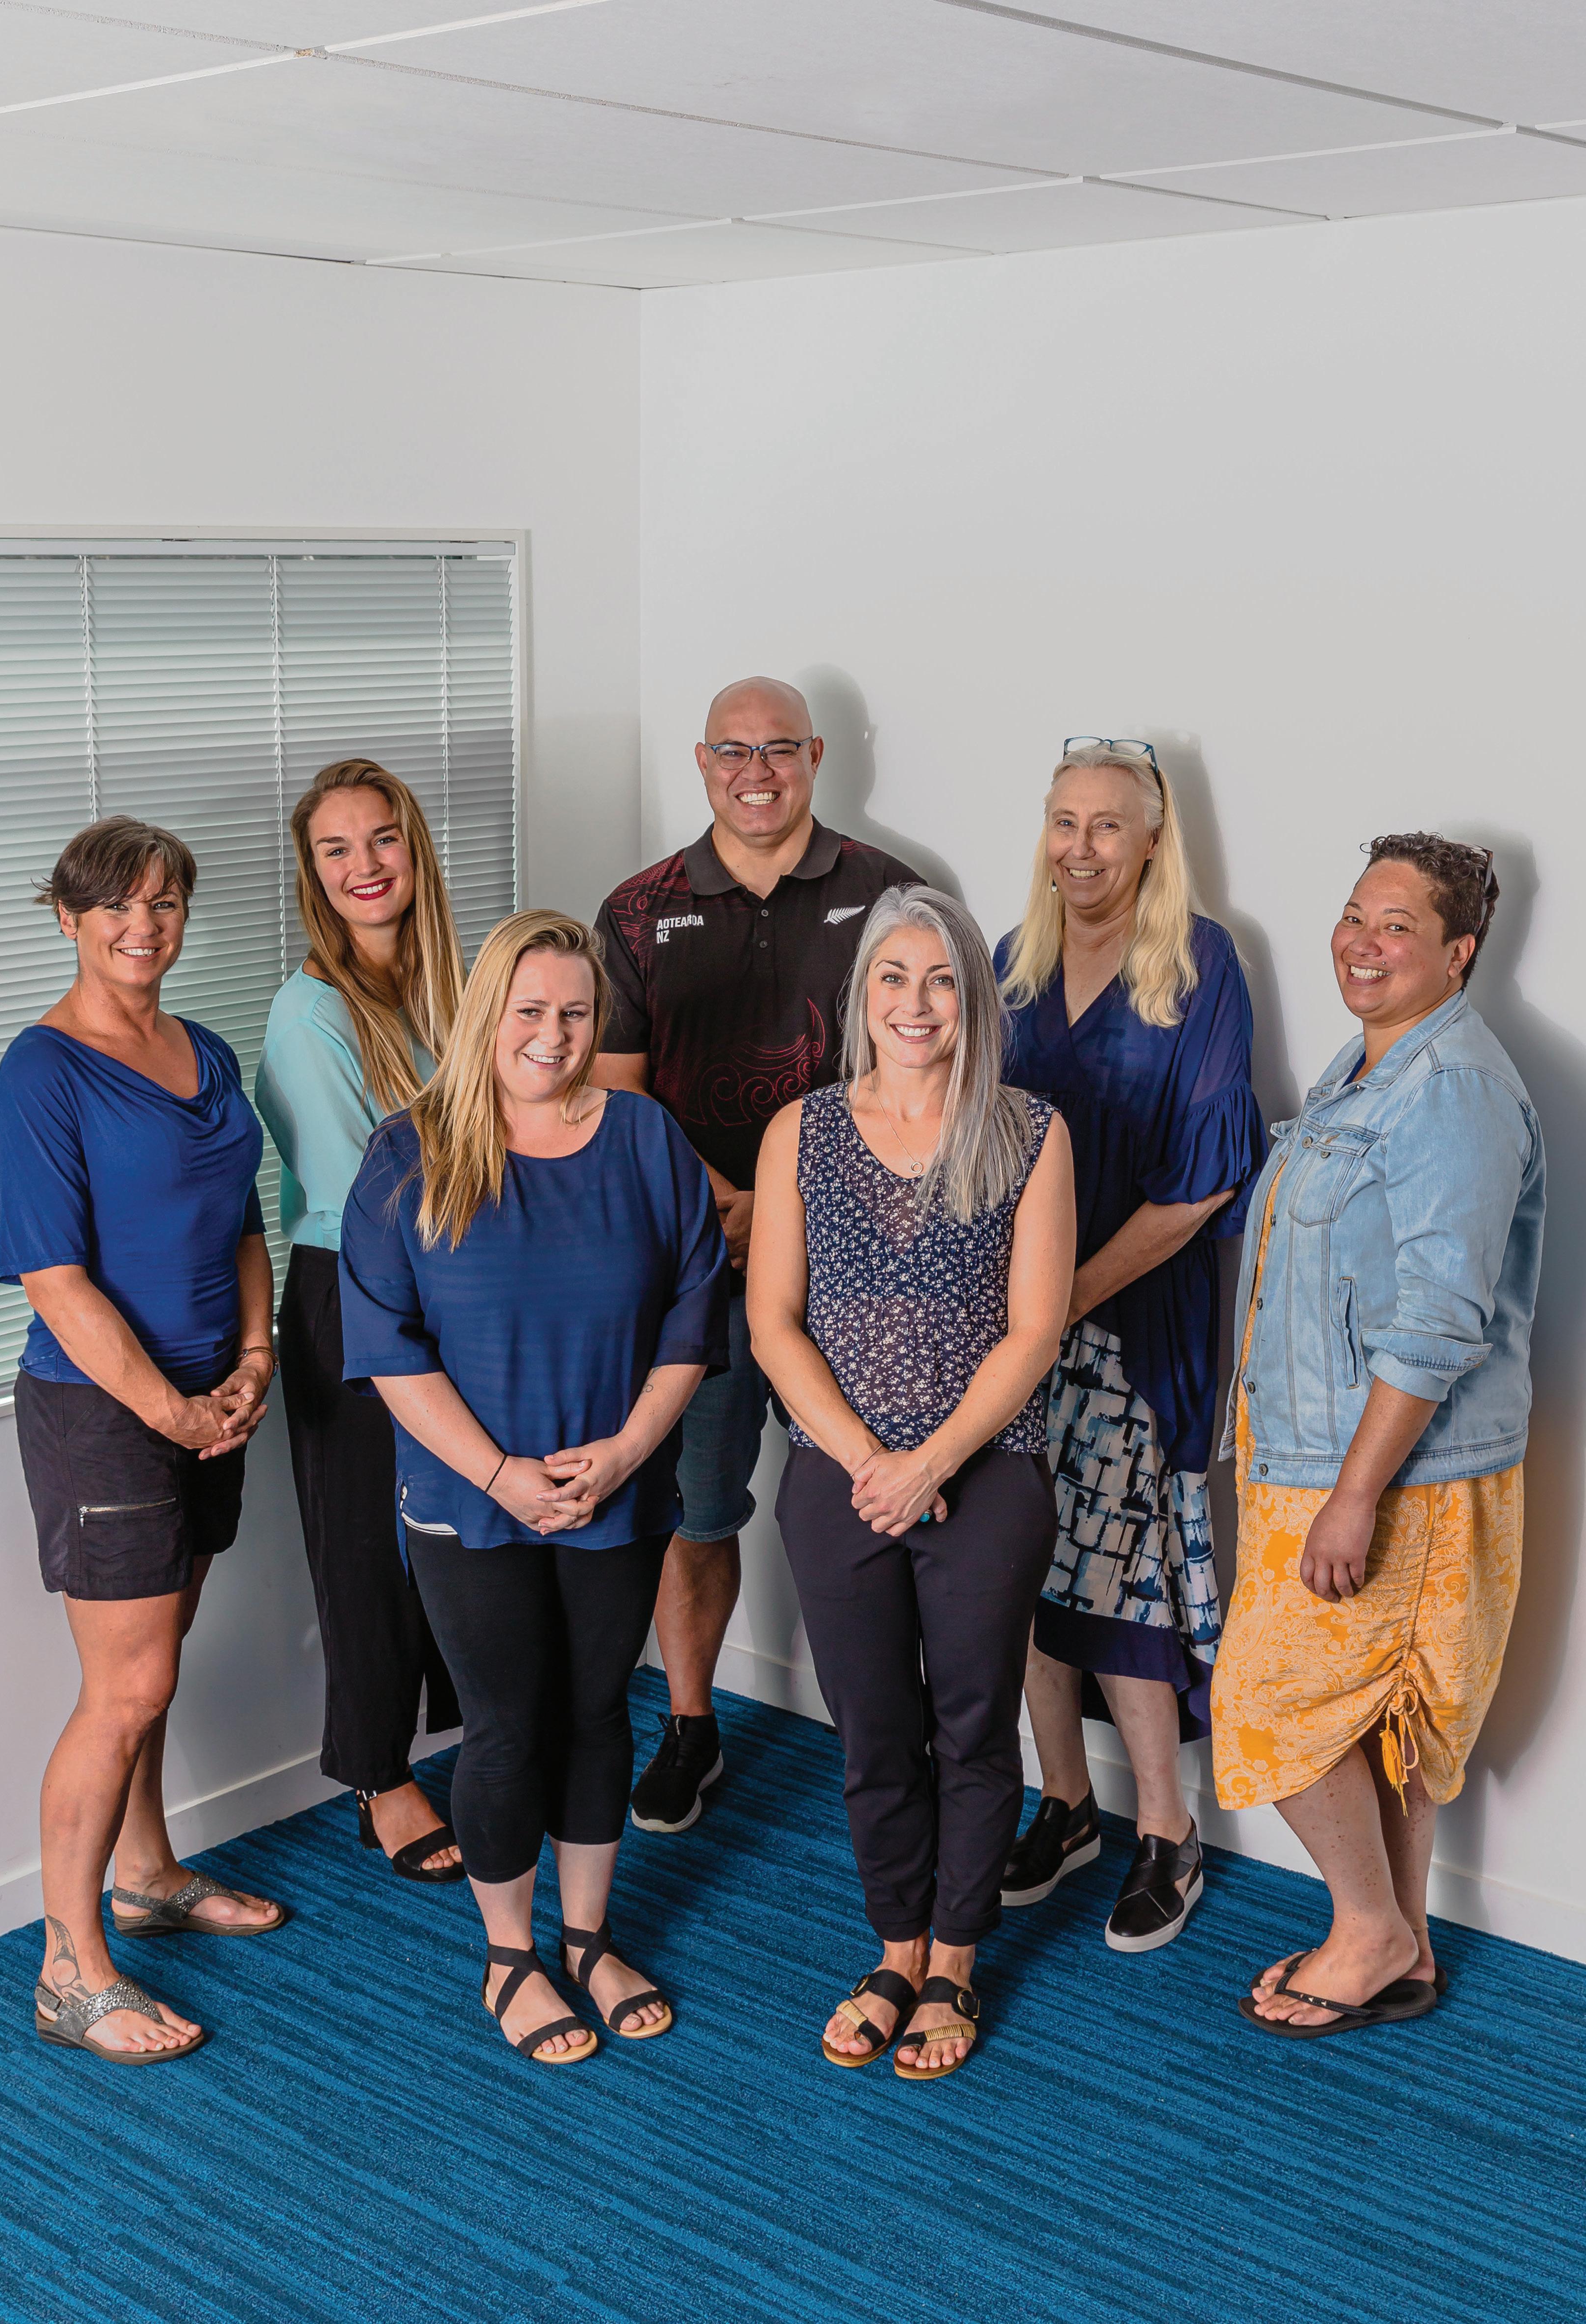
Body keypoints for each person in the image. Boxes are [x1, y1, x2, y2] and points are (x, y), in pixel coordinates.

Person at [339, 909, 729, 2064]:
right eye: (529, 1011)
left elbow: (692, 1312)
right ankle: (510, 1956)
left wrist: (625, 1454)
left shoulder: (645, 1138)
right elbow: (387, 1347)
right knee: (507, 1724)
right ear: (485, 1014)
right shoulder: (408, 1152)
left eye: (574, 1013)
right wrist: (501, 1475)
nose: (553, 1035)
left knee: (599, 1713)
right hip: (470, 1501)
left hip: (618, 1485)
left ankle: (589, 1936)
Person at [1214, 834, 1542, 2037]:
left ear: (1458, 952)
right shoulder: (1371, 1068)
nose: (1361, 942)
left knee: (1266, 1702)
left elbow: (1441, 1315)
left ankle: (1365, 1930)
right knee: (1378, 1717)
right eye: (1355, 914)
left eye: (1397, 925)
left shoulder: (1449, 1088)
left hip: (1392, 1470)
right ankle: (1399, 1944)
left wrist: (1354, 1495)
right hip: (1319, 1451)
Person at [749, 887, 1074, 2079]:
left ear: (972, 996)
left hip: (986, 1477)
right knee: (873, 1730)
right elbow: (773, 1323)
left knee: (974, 1724)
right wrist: (867, 1464)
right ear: (862, 997)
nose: (916, 1002)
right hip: (837, 1478)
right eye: (893, 976)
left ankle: (955, 1962)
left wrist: (929, 1464)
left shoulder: (1031, 1131)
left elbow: (1035, 1331)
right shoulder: (801, 1132)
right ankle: (896, 1949)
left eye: (940, 979)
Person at [0, 817, 286, 2067]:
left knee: (158, 1659)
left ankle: (149, 1873)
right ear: (68, 917)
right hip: (104, 1414)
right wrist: (172, 1411)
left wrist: (254, 1359)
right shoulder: (39, 1077)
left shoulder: (199, 1050)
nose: (142, 926)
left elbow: (243, 1221)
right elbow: (54, 1281)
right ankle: (69, 1970)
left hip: (213, 1401)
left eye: (164, 903)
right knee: (127, 1689)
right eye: (115, 905)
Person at [593, 676, 918, 1835]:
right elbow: (618, 1098)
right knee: (696, 1509)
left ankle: (888, 1736)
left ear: (817, 755)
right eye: (733, 750)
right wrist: (733, 1206)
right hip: (701, 1265)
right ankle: (691, 1726)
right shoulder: (638, 911)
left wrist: (793, 1210)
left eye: (779, 748)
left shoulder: (892, 893)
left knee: (878, 1497)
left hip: (862, 1267)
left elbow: (923, 1067)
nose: (757, 771)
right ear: (702, 762)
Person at [996, 740, 1266, 1952]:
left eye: (1108, 825)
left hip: (1132, 1324)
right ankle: (1064, 1803)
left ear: (1154, 839)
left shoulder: (1200, 966)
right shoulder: (1009, 962)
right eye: (1064, 822)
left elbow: (1202, 1185)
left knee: (1121, 1573)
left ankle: (1167, 1828)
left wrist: (1063, 1302)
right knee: (1013, 1564)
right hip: (1009, 1326)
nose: (1082, 847)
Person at [256, 759, 467, 1884]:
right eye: (335, 850)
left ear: (413, 846)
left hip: (457, 1284)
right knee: (366, 1547)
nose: (364, 866)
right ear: (313, 874)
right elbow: (361, 1194)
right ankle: (379, 1778)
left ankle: (459, 1738)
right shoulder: (311, 1013)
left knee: (451, 1528)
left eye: (381, 838)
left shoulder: (448, 984)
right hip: (355, 1290)